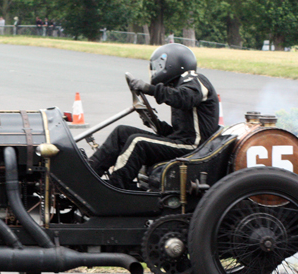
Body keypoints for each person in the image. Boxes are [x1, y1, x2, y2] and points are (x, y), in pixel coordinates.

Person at [88, 43, 219, 189]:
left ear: (172, 63)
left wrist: (148, 88)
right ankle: (87, 174)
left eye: (159, 65)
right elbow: (179, 132)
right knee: (122, 132)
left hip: (194, 147)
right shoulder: (178, 86)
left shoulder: (194, 79)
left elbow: (183, 98)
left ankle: (113, 190)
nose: (156, 70)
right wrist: (155, 123)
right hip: (183, 141)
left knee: (138, 142)